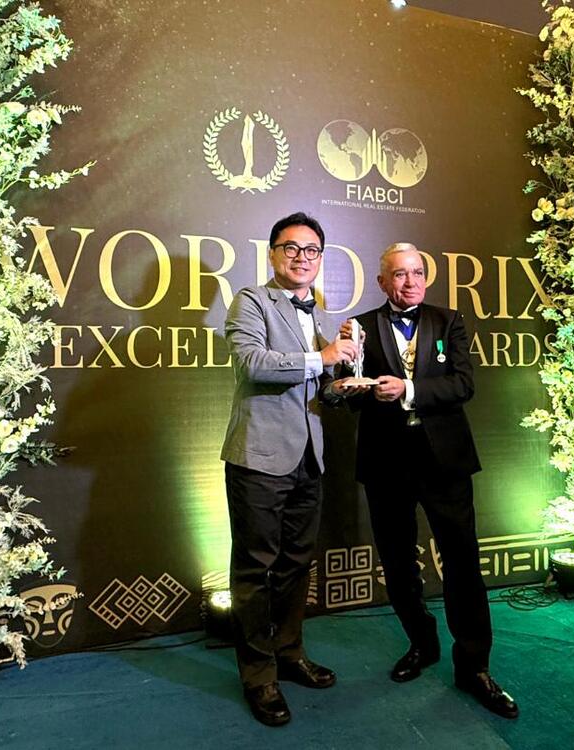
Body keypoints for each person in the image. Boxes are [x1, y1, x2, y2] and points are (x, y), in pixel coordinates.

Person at [346, 242, 519, 719]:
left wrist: (409, 389)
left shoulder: (449, 321)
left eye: (418, 272)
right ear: (382, 282)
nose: (411, 281)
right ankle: (422, 643)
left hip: (445, 462)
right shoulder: (359, 326)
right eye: (400, 274)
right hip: (386, 464)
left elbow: (463, 384)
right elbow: (349, 397)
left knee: (462, 563)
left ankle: (474, 667)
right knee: (398, 565)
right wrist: (350, 369)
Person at [220, 212, 362, 727]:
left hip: (309, 458)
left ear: (321, 259)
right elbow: (252, 363)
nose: (302, 258)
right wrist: (323, 356)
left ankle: (289, 652)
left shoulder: (319, 316)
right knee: (255, 570)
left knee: (297, 564)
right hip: (259, 458)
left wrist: (343, 381)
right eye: (291, 248)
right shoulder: (251, 301)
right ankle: (259, 676)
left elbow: (318, 390)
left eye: (312, 250)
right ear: (273, 254)